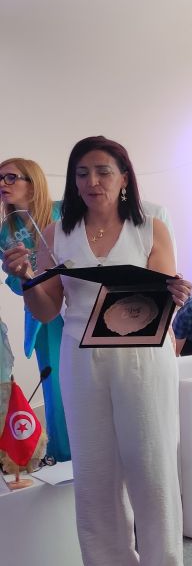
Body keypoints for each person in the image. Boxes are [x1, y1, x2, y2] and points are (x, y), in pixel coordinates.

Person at [5, 136, 191, 566]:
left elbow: (164, 295)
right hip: (80, 356)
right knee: (94, 469)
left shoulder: (150, 226)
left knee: (150, 464)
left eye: (104, 171)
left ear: (124, 177)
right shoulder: (55, 233)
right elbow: (48, 310)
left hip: (143, 356)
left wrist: (175, 294)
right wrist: (26, 278)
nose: (93, 181)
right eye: (82, 173)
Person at [0, 158, 70, 461]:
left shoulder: (64, 212)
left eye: (10, 177)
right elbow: (16, 285)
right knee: (56, 389)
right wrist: (20, 275)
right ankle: (63, 455)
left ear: (33, 182)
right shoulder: (5, 232)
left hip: (81, 307)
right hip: (45, 317)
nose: (2, 184)